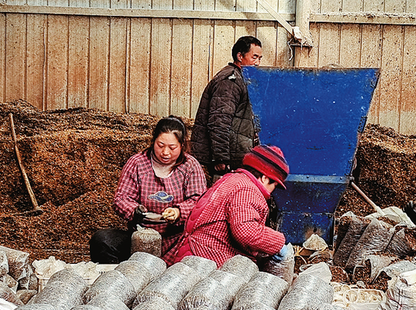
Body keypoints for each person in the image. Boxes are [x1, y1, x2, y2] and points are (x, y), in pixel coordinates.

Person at [90, 116, 207, 265]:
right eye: (160, 145)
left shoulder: (190, 166)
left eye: (172, 148)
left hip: (176, 239)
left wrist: (178, 211)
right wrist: (134, 210)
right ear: (153, 141)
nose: (165, 152)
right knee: (102, 240)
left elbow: (199, 201)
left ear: (182, 145)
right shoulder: (137, 163)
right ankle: (121, 275)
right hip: (140, 237)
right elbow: (121, 198)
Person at [171, 144, 290, 267]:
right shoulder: (247, 190)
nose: (272, 191)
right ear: (264, 178)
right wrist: (278, 243)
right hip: (206, 258)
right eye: (274, 185)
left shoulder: (232, 179)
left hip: (194, 253)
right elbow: (246, 231)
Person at [191, 35, 263, 184]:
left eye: (259, 58)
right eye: (254, 57)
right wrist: (220, 158)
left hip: (234, 156)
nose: (257, 63)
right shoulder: (231, 81)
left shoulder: (240, 79)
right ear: (240, 56)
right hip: (226, 161)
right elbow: (219, 121)